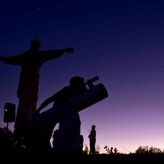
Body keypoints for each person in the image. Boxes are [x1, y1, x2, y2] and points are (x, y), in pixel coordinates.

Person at [0, 39, 74, 146]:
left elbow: (50, 53)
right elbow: (14, 59)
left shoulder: (38, 55)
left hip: (32, 87)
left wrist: (63, 50)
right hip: (26, 86)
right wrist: (5, 59)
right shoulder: (28, 56)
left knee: (30, 106)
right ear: (34, 45)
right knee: (24, 107)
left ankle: (27, 127)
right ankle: (22, 130)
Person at [36, 76, 88, 154]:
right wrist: (38, 110)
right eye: (81, 83)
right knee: (48, 135)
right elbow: (50, 100)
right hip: (59, 113)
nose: (83, 85)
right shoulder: (66, 90)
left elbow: (86, 92)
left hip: (66, 113)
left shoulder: (76, 90)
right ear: (76, 84)